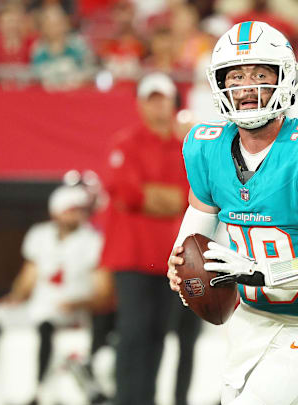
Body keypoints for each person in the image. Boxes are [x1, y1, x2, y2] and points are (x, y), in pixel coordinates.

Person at [166, 21, 298, 405]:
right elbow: (195, 227)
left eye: (261, 73)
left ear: (285, 79)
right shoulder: (205, 146)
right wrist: (181, 263)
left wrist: (265, 273)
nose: (248, 86)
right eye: (237, 75)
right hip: (247, 321)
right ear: (220, 84)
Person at [100, 72, 199, 405]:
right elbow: (128, 193)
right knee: (132, 334)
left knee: (158, 335)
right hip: (131, 257)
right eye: (150, 99)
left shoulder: (185, 148)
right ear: (140, 104)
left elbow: (190, 197)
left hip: (168, 260)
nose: (157, 106)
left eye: (163, 98)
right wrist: (165, 199)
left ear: (174, 102)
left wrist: (152, 196)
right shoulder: (125, 142)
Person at [0, 184, 103, 403]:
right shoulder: (40, 236)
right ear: (57, 210)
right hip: (39, 304)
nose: (77, 214)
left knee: (46, 325)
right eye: (72, 209)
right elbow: (28, 277)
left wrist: (80, 303)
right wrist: (14, 298)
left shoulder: (93, 241)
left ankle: (38, 389)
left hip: (69, 307)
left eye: (80, 209)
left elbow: (102, 288)